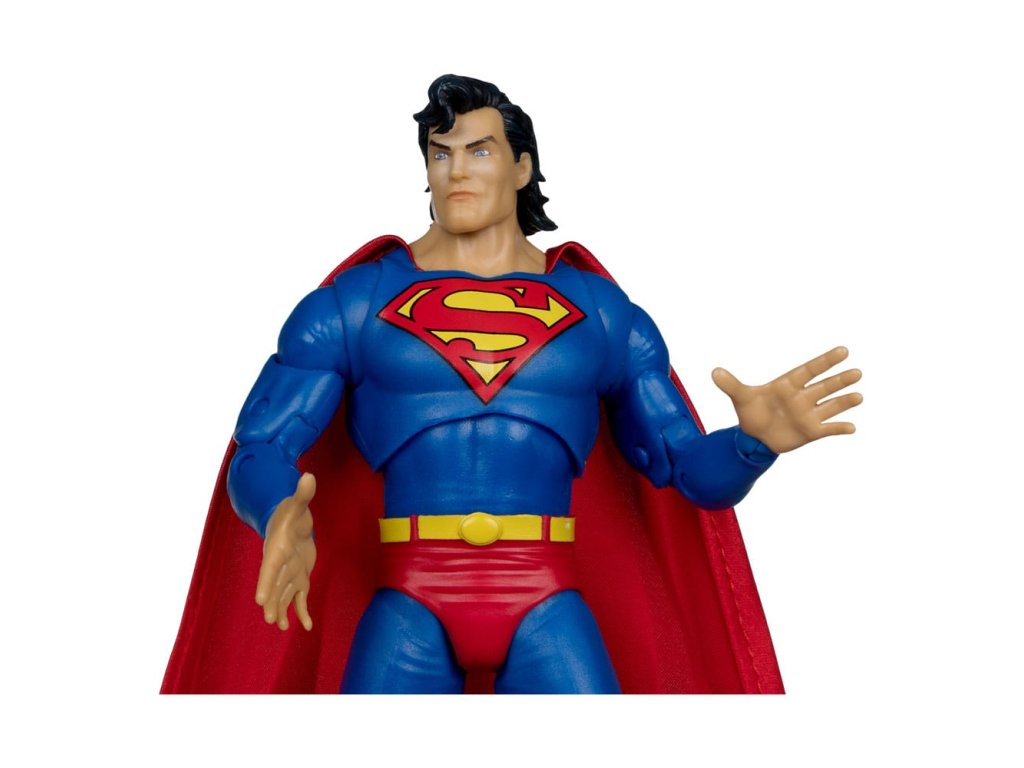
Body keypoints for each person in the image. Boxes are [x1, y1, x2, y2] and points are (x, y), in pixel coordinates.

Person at [164, 75, 861, 694]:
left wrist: (751, 445)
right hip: (411, 594)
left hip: (545, 595)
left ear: (522, 166)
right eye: (441, 153)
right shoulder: (353, 305)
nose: (456, 171)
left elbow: (687, 471)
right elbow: (260, 447)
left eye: (479, 151)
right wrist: (276, 510)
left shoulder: (601, 313)